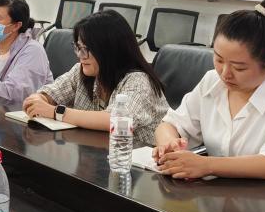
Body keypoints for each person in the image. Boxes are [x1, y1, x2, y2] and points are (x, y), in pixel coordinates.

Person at [153, 0, 265, 195]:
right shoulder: (212, 81)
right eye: (218, 59)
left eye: (239, 68)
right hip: (225, 195)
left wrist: (207, 165)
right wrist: (169, 145)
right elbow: (170, 125)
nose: (225, 74)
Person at [22, 9, 168, 146]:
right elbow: (49, 93)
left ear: (110, 50)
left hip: (135, 161)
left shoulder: (139, 81)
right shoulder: (81, 71)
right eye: (78, 47)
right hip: (97, 154)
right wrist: (39, 100)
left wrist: (56, 112)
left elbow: (114, 120)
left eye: (86, 49)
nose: (81, 55)